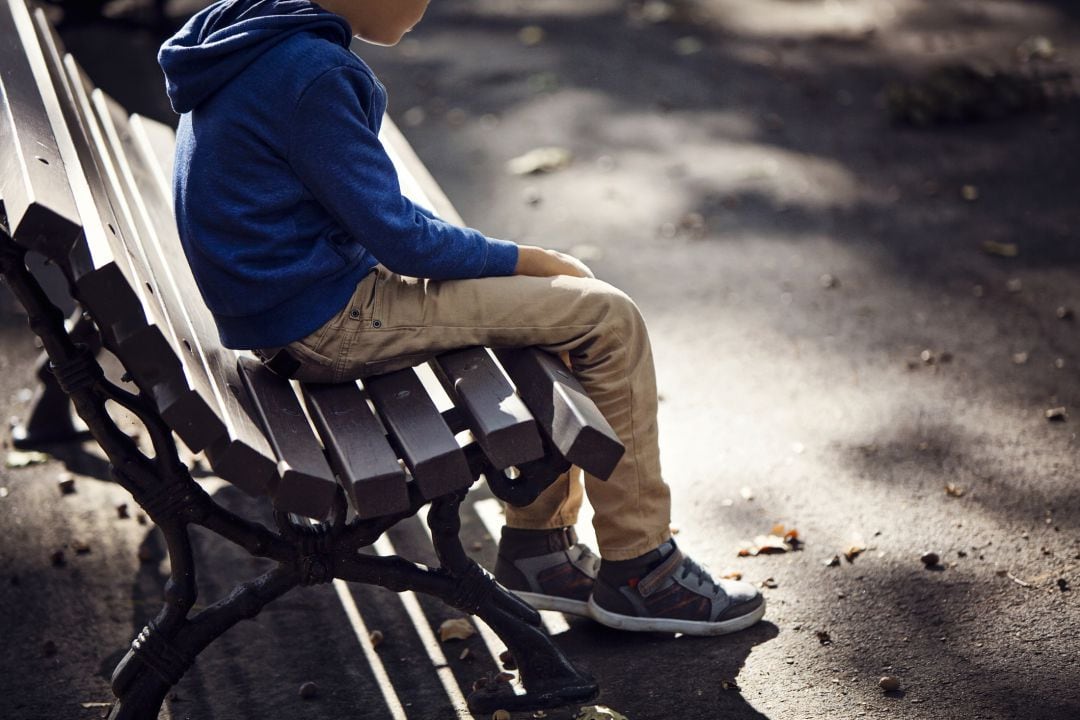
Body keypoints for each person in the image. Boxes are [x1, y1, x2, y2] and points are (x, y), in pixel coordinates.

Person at [158, 0, 765, 636]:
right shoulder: (312, 71)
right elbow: (404, 241)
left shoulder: (248, 33)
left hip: (290, 314)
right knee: (606, 317)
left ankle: (541, 554)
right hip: (333, 322)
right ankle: (643, 569)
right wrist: (525, 258)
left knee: (550, 312)